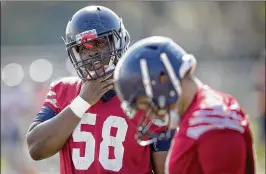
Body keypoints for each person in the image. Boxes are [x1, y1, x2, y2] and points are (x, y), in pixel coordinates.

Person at [26, 6, 171, 174]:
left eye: (99, 43)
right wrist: (82, 102)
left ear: (118, 42)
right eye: (83, 47)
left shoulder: (147, 99)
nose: (92, 53)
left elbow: (166, 169)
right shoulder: (62, 91)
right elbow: (35, 149)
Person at [114, 36, 255, 174]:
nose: (149, 114)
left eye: (146, 104)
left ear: (163, 80)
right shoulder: (194, 114)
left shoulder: (213, 119)